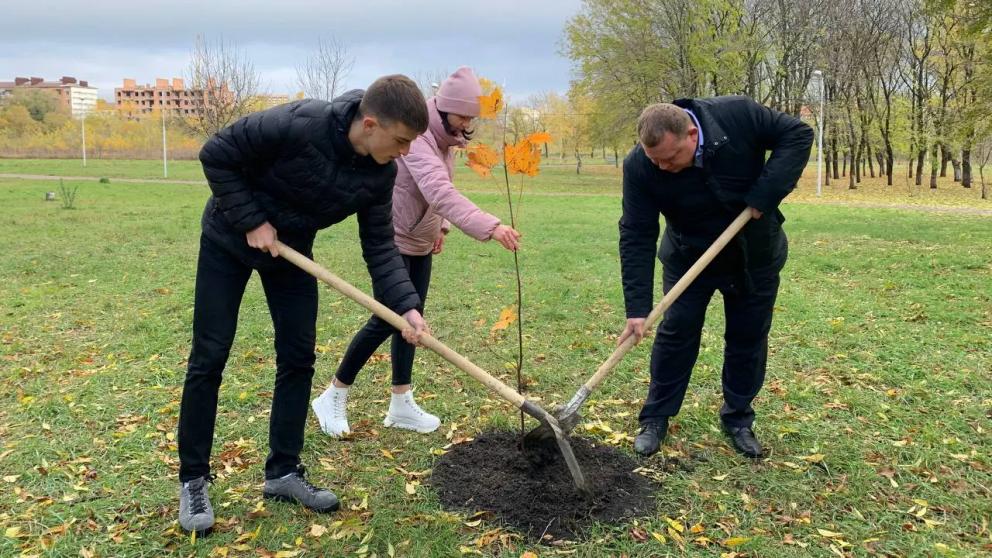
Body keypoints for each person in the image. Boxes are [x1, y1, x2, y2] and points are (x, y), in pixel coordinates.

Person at [176, 75, 432, 536]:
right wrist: (252, 220)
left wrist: (406, 306)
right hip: (228, 239)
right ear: (370, 124)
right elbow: (216, 154)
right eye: (401, 141)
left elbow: (379, 244)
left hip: (291, 252)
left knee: (298, 358)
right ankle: (194, 480)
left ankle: (283, 473)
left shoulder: (382, 171)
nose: (406, 152)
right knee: (210, 356)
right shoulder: (299, 124)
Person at [311, 67, 521, 437]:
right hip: (393, 237)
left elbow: (437, 190)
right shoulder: (420, 135)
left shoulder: (446, 137)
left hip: (420, 237)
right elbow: (437, 189)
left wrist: (440, 225)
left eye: (472, 117)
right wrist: (491, 226)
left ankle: (400, 402)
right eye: (463, 116)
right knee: (388, 319)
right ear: (443, 110)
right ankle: (333, 394)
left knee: (412, 323)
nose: (467, 124)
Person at [618, 97, 812, 459]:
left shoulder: (737, 116)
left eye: (670, 158)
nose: (662, 166)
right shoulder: (640, 167)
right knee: (676, 333)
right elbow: (636, 232)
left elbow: (798, 134)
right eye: (654, 159)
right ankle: (656, 417)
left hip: (753, 253)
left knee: (747, 335)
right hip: (688, 256)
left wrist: (766, 192)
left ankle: (738, 418)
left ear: (692, 134)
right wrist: (638, 307)